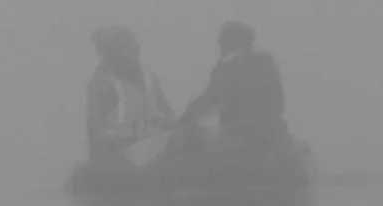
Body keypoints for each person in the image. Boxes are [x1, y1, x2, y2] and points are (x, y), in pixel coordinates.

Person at [177, 20, 288, 157]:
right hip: (274, 137)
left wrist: (186, 115)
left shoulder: (228, 67)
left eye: (221, 41)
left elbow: (210, 99)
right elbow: (280, 104)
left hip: (240, 140)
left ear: (228, 43)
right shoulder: (267, 63)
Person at [85, 26, 174, 166]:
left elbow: (167, 112)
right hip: (120, 153)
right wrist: (98, 162)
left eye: (134, 45)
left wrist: (172, 125)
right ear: (114, 52)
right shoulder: (103, 84)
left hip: (153, 147)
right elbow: (95, 130)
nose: (135, 51)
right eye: (127, 47)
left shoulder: (148, 77)